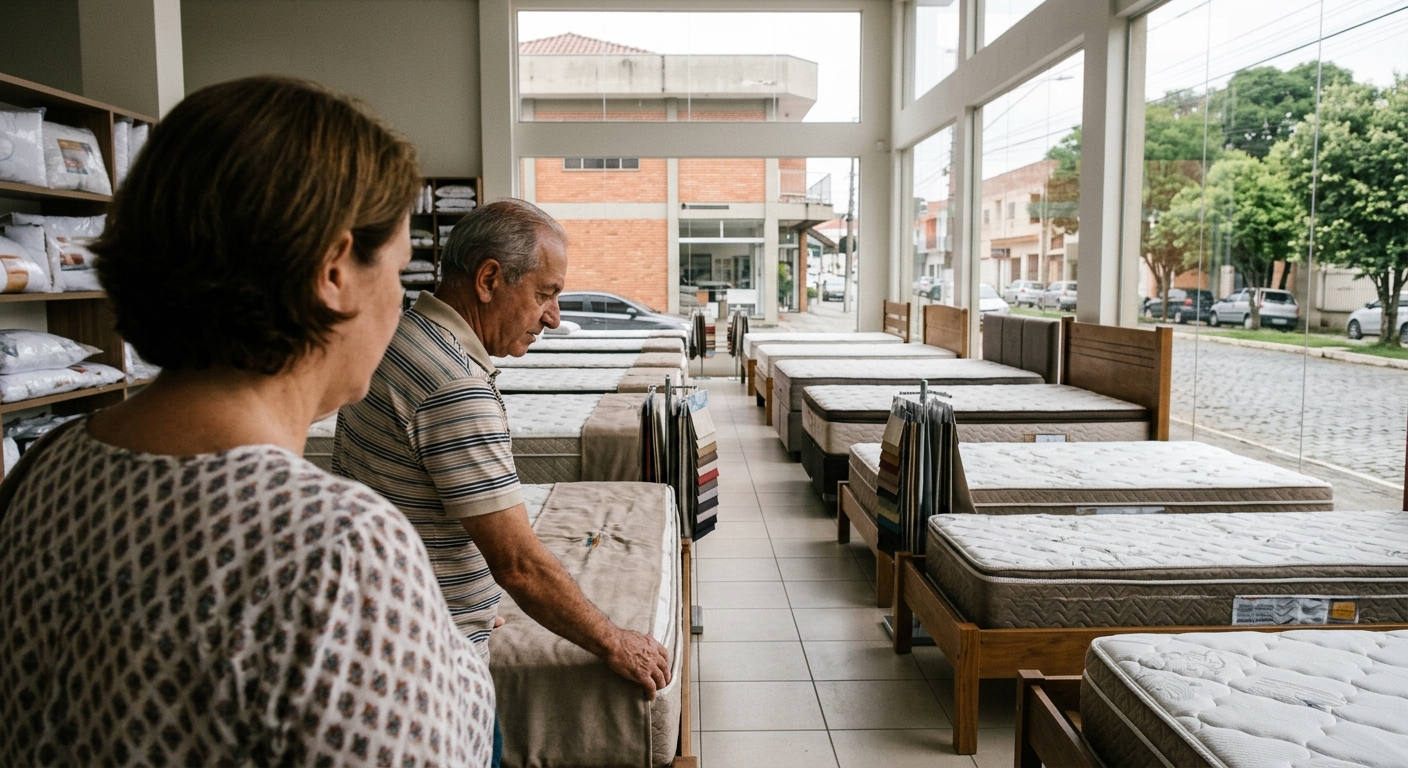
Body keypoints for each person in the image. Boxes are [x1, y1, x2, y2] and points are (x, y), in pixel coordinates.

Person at [0, 76, 495, 767]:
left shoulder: (46, 468)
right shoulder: (337, 547)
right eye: (399, 270)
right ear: (333, 273)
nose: (399, 302)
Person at [332, 200, 672, 741]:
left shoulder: (398, 335)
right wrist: (614, 640)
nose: (554, 317)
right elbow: (518, 565)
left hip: (386, 613)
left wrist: (465, 594)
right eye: (544, 294)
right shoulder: (454, 387)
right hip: (432, 665)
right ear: (489, 279)